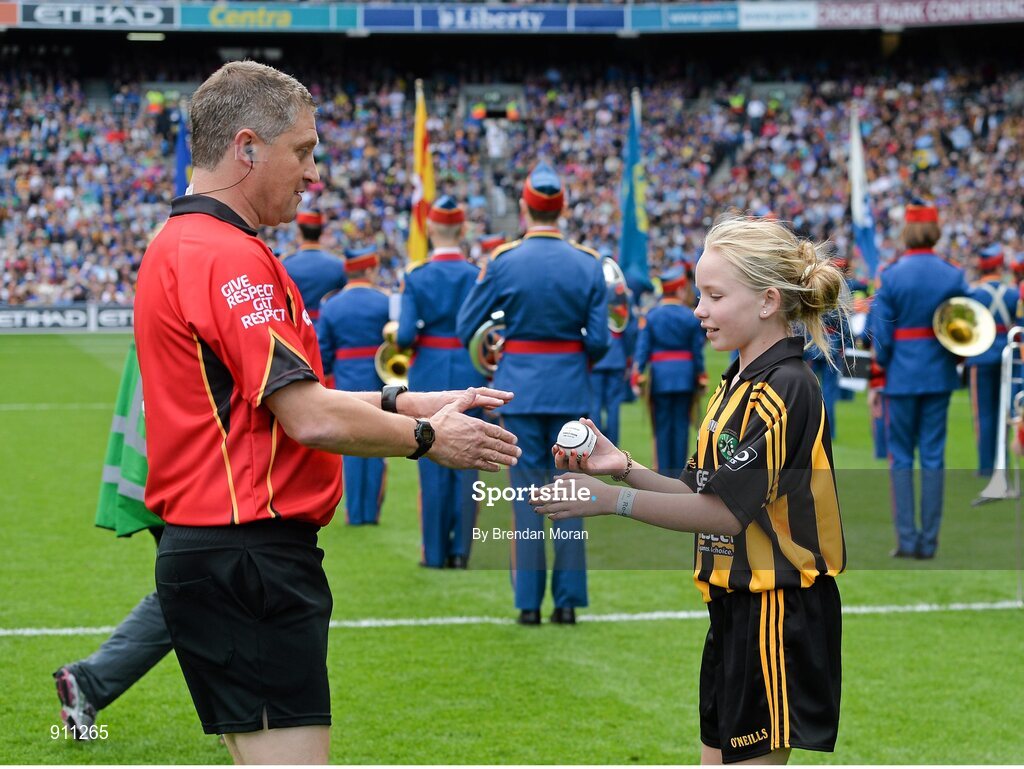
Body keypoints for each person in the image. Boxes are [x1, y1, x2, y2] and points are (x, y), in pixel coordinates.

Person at [133, 61, 520, 765]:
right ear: (247, 147)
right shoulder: (230, 257)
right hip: (251, 553)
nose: (314, 174)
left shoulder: (181, 244)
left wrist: (407, 399)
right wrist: (429, 436)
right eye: (303, 152)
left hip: (215, 550)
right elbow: (307, 418)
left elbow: (269, 404)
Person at [531, 214, 847, 765]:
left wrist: (610, 501)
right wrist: (621, 467)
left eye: (714, 296)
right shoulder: (736, 381)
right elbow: (695, 489)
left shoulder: (787, 387)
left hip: (776, 610)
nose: (698, 309)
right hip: (732, 607)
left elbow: (725, 514)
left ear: (768, 301)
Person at [457, 162, 610, 625]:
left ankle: (527, 604)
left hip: (519, 390)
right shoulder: (587, 263)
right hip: (569, 389)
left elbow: (469, 326)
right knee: (571, 496)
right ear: (562, 209)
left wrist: (499, 354)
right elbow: (601, 340)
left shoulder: (504, 261)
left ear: (524, 207)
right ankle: (566, 604)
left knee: (524, 500)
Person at [54, 343, 173, 739]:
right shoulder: (193, 298)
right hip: (189, 480)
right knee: (193, 591)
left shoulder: (162, 295)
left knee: (200, 593)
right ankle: (91, 680)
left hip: (163, 474)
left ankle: (237, 715)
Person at [868, 202, 969, 559]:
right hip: (938, 375)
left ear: (907, 232)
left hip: (900, 377)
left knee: (900, 459)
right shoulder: (952, 274)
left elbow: (881, 338)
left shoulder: (891, 275)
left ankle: (907, 540)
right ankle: (930, 542)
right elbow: (964, 328)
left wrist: (878, 381)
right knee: (933, 458)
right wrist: (952, 361)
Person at [397, 195, 487, 568]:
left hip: (429, 371)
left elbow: (403, 337)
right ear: (462, 229)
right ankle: (461, 552)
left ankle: (433, 553)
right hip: (469, 367)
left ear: (430, 229)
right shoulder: (476, 275)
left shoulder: (416, 277)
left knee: (430, 454)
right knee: (470, 459)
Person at [317, 245, 391, 525]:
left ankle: (354, 512)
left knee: (351, 448)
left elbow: (323, 352)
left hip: (345, 379)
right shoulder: (384, 301)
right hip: (378, 380)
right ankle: (371, 512)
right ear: (370, 269)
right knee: (378, 444)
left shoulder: (332, 304)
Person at [634, 263, 706, 476]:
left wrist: (638, 373)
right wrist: (700, 375)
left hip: (660, 378)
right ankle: (679, 474)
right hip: (685, 377)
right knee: (682, 427)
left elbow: (642, 349)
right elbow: (697, 352)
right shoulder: (689, 315)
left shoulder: (652, 315)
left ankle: (664, 475)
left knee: (662, 427)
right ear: (680, 289)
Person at [965, 244, 1017, 477]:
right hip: (1008, 357)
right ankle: (1001, 463)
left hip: (981, 356)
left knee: (983, 414)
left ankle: (986, 466)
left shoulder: (973, 294)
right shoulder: (1014, 294)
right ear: (999, 265)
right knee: (1004, 412)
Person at [280, 209, 347, 321]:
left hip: (297, 328)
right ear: (321, 232)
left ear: (299, 232)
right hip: (329, 327)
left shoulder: (285, 264)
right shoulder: (338, 264)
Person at [589, 276, 633, 446]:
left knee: (595, 404)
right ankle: (612, 445)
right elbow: (630, 330)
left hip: (597, 358)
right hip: (617, 356)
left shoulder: (593, 292)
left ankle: (595, 445)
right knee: (613, 405)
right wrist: (628, 356)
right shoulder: (622, 296)